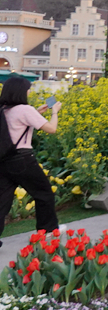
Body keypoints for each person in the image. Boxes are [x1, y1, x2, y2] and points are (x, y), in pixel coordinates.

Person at [0, 77, 61, 247]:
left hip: (4, 161)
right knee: (44, 193)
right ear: (21, 91)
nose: (29, 92)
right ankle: (47, 231)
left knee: (2, 201)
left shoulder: (3, 109)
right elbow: (52, 129)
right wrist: (54, 111)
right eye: (28, 89)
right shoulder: (25, 109)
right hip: (23, 160)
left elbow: (15, 126)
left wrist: (37, 112)